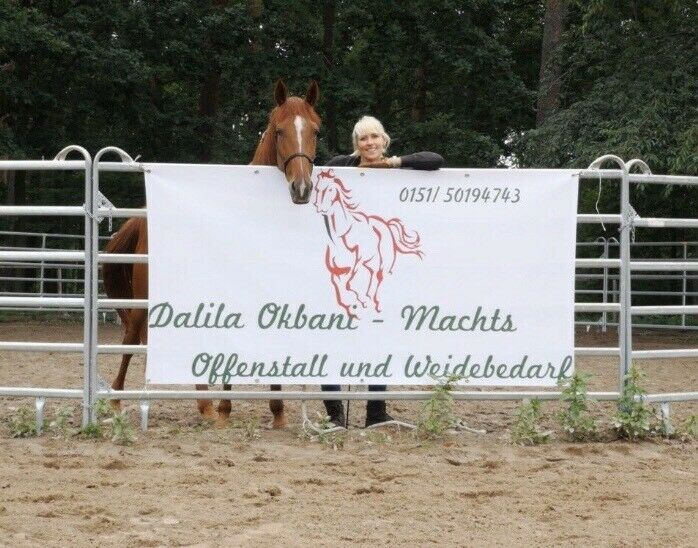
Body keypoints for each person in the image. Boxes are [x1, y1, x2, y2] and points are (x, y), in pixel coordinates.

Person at [322, 115, 444, 427]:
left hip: (377, 255)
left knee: (378, 337)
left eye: (375, 136)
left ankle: (376, 412)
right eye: (363, 138)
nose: (370, 143)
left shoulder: (397, 166)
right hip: (342, 256)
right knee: (331, 338)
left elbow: (436, 160)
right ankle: (335, 413)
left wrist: (393, 164)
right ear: (356, 144)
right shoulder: (341, 165)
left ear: (384, 140)